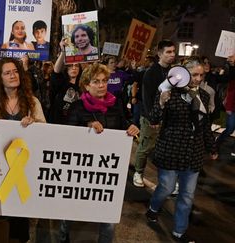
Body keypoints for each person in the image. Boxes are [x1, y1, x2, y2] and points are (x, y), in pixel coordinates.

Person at [145, 58, 217, 242]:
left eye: (201, 75)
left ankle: (179, 231)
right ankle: (153, 208)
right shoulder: (169, 91)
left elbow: (205, 125)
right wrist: (161, 102)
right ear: (184, 74)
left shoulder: (204, 95)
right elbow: (153, 119)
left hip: (193, 154)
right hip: (171, 150)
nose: (198, 78)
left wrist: (212, 147)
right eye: (194, 74)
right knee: (166, 187)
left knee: (187, 196)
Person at [66, 63, 139, 243]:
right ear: (86, 84)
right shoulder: (77, 107)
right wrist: (87, 126)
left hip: (107, 171)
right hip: (80, 169)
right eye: (96, 81)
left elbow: (124, 124)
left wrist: (131, 128)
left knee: (107, 216)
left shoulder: (116, 104)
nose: (101, 85)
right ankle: (63, 237)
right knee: (69, 210)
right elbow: (67, 135)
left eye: (104, 81)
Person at [0, 57, 45, 243]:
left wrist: (35, 125)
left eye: (15, 71)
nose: (13, 75)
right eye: (7, 73)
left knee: (19, 217)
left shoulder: (33, 103)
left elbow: (46, 134)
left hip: (24, 170)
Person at [132, 40, 176, 188]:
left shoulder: (173, 72)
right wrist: (152, 117)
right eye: (168, 52)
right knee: (145, 146)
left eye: (173, 52)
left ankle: (167, 180)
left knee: (166, 149)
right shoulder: (151, 73)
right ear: (159, 54)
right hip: (150, 117)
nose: (172, 55)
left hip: (168, 118)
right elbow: (147, 97)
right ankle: (138, 172)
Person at [49, 39, 81, 124]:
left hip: (76, 123)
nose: (74, 68)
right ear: (66, 68)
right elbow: (56, 71)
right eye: (70, 65)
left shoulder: (83, 85)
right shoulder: (61, 82)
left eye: (76, 65)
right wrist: (63, 51)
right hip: (59, 122)